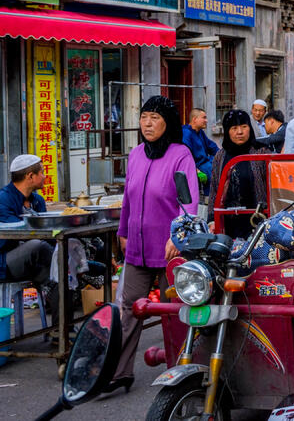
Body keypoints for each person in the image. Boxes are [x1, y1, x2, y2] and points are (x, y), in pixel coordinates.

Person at [110, 95, 199, 395]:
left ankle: (180, 373)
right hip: (136, 247)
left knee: (173, 312)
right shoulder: (135, 154)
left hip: (169, 249)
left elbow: (189, 203)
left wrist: (177, 236)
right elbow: (128, 199)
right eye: (144, 117)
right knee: (129, 308)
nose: (147, 123)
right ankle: (120, 372)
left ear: (168, 123)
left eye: (155, 118)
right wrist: (122, 232)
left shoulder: (180, 155)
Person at [0, 155, 56, 322]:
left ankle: (60, 332)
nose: (45, 176)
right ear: (30, 176)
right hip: (6, 262)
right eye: (42, 172)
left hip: (35, 262)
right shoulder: (3, 199)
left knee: (60, 278)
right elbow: (20, 233)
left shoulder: (37, 201)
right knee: (37, 245)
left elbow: (49, 230)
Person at [209, 110, 268, 239]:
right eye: (234, 128)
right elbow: (214, 188)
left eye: (244, 127)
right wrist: (212, 219)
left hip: (258, 221)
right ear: (227, 131)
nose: (240, 132)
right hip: (228, 224)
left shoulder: (262, 152)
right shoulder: (220, 156)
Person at [181, 108, 218, 179]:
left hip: (207, 165)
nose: (206, 121)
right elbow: (186, 157)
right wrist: (197, 171)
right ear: (194, 119)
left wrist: (222, 156)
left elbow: (212, 147)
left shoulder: (200, 132)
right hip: (199, 169)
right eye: (204, 118)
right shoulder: (186, 133)